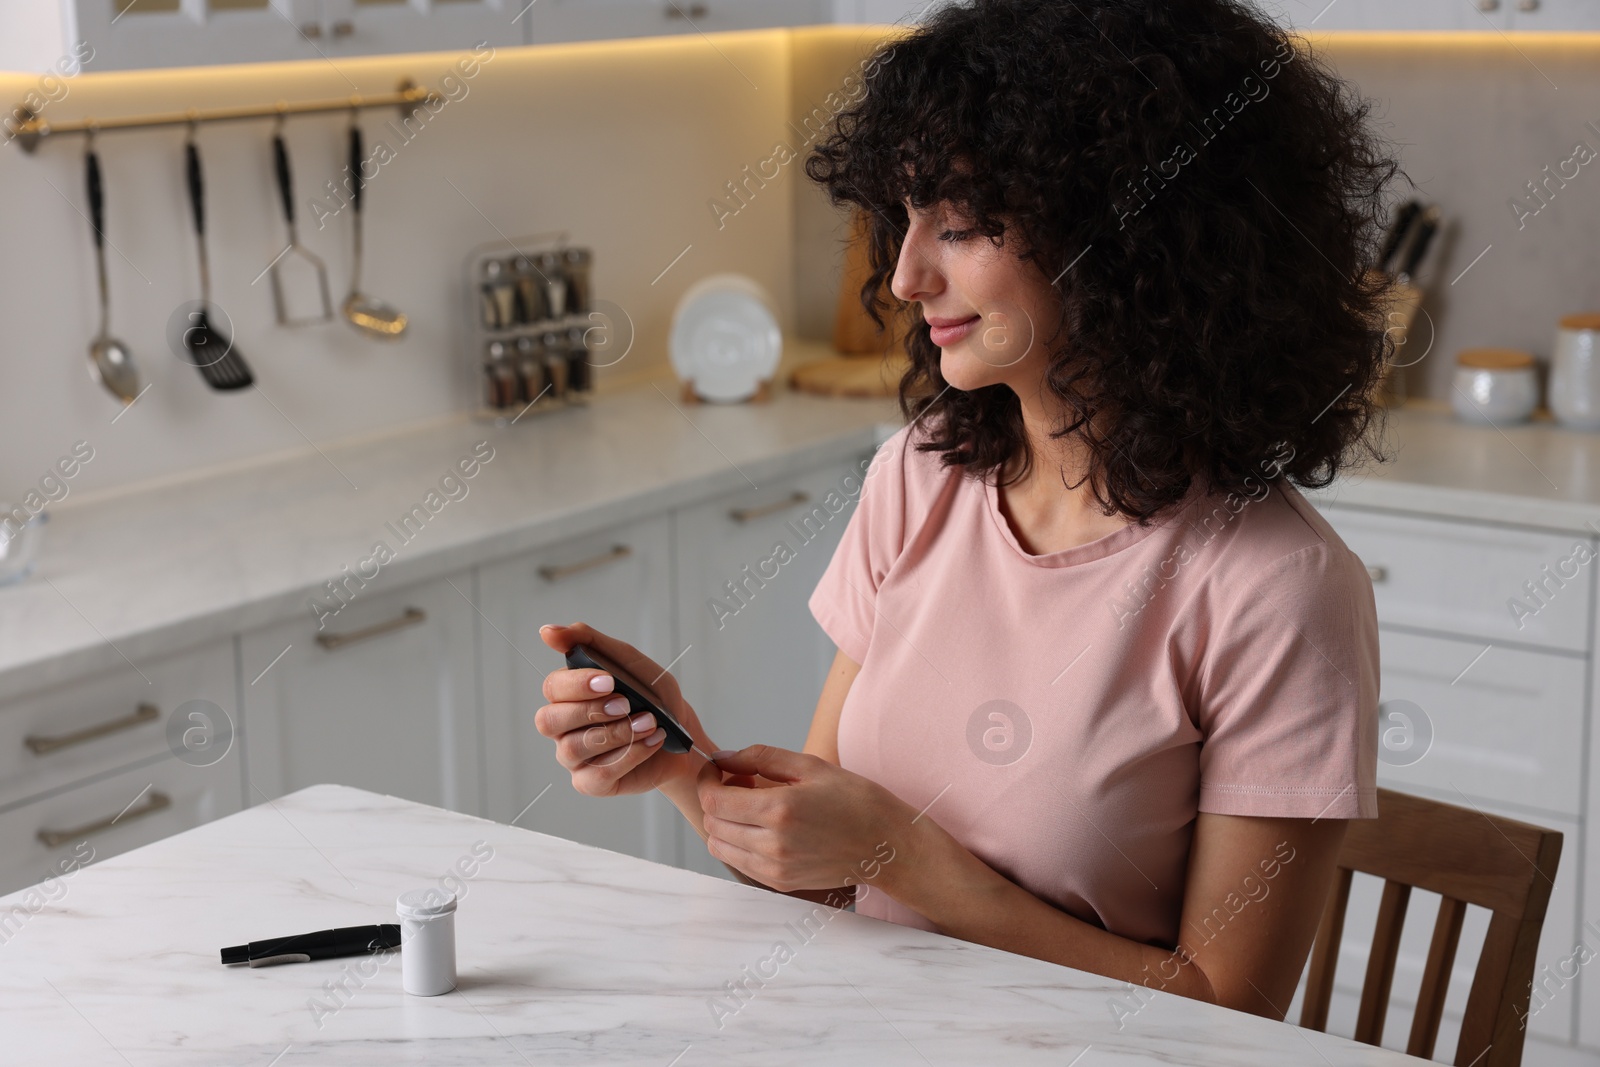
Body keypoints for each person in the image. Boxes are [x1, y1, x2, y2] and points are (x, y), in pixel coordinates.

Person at [537, 0, 1397, 1023]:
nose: (904, 276)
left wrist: (908, 856)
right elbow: (826, 879)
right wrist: (680, 767)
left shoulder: (1274, 586)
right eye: (903, 220)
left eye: (959, 225)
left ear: (1123, 231)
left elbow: (1229, 1012)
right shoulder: (921, 474)